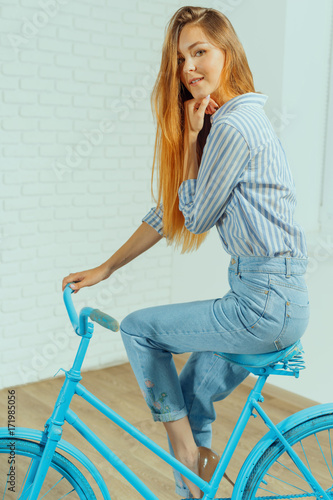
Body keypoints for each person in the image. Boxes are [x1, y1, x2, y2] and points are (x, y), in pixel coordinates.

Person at [62, 6, 310, 498]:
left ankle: (190, 457)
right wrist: (107, 267)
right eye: (181, 58)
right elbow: (171, 210)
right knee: (194, 394)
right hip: (268, 296)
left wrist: (194, 140)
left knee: (137, 329)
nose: (189, 68)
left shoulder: (234, 127)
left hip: (263, 302)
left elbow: (193, 218)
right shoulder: (230, 122)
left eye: (200, 52)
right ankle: (194, 486)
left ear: (228, 54)